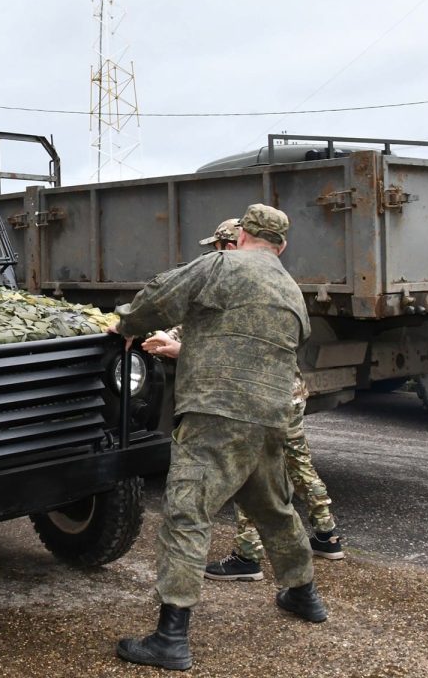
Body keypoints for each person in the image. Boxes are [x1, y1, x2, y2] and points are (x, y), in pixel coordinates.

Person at [113, 204, 328, 671]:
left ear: (242, 235)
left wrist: (126, 324)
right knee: (274, 508)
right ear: (281, 246)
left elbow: (160, 297)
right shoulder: (291, 288)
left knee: (187, 514)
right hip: (270, 416)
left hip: (216, 411)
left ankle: (171, 638)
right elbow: (295, 339)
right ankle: (304, 594)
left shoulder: (220, 264)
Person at [141, 219, 344, 584]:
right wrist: (170, 337)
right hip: (285, 394)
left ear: (233, 244)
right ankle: (326, 535)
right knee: (293, 466)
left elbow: (230, 350)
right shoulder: (273, 281)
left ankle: (248, 557)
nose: (215, 253)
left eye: (219, 246)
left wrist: (173, 347)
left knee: (245, 475)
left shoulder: (225, 279)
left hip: (252, 397)